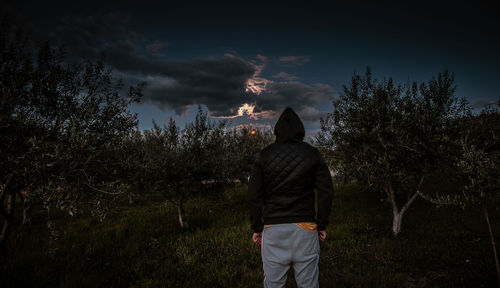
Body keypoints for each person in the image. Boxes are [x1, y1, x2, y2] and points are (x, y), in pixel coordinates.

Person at [247, 107, 334, 288]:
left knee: (273, 284)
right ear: (300, 129)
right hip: (306, 229)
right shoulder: (312, 153)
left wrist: (257, 227)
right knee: (309, 284)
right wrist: (322, 224)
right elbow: (326, 191)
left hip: (273, 231)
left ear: (277, 130)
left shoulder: (265, 155)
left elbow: (253, 195)